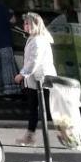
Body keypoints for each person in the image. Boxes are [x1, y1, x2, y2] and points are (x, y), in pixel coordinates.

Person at [14, 11, 56, 146]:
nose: (24, 26)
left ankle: (70, 134)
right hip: (36, 80)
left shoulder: (38, 40)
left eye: (27, 23)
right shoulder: (35, 38)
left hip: (41, 80)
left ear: (35, 24)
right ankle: (29, 136)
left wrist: (22, 74)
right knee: (35, 108)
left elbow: (34, 61)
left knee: (48, 109)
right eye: (24, 23)